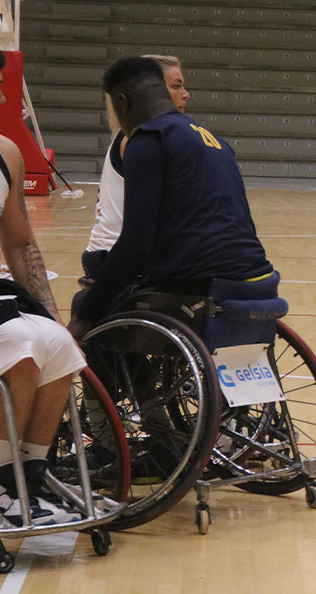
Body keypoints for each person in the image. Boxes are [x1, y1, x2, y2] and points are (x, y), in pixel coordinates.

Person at [68, 56, 272, 337]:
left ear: (123, 103)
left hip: (206, 287)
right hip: (261, 279)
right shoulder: (212, 140)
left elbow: (135, 246)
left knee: (87, 305)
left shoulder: (147, 140)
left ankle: (129, 383)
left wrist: (85, 316)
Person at [0, 51, 87, 525]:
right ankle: (0, 481)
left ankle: (28, 482)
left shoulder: (6, 154)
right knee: (18, 346)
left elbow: (18, 243)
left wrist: (51, 313)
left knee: (57, 344)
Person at [80, 55, 190, 286]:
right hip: (115, 258)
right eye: (176, 86)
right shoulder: (139, 140)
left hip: (112, 255)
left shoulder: (139, 134)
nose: (186, 94)